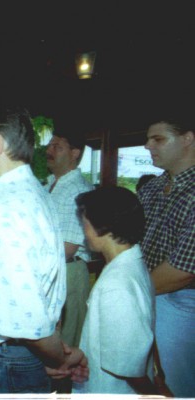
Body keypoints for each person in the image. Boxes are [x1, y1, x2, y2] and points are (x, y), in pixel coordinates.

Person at [0, 104, 87, 394]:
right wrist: (48, 356)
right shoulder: (34, 192)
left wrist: (59, 359)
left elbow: (24, 321)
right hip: (14, 357)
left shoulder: (10, 209)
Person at [72, 187, 156, 394]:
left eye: (85, 224)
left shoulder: (116, 285)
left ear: (104, 227)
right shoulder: (132, 263)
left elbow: (127, 367)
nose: (84, 232)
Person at [137, 117, 194, 398]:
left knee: (177, 387)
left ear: (188, 139)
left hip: (183, 302)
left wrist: (131, 290)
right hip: (147, 294)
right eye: (148, 139)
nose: (148, 145)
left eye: (158, 139)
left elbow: (185, 270)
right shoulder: (151, 188)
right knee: (145, 381)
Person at [45, 129, 93, 349]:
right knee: (47, 338)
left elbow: (67, 248)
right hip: (49, 269)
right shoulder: (49, 185)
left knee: (66, 344)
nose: (49, 150)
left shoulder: (77, 190)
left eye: (57, 147)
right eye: (49, 145)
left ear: (75, 153)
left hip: (67, 271)